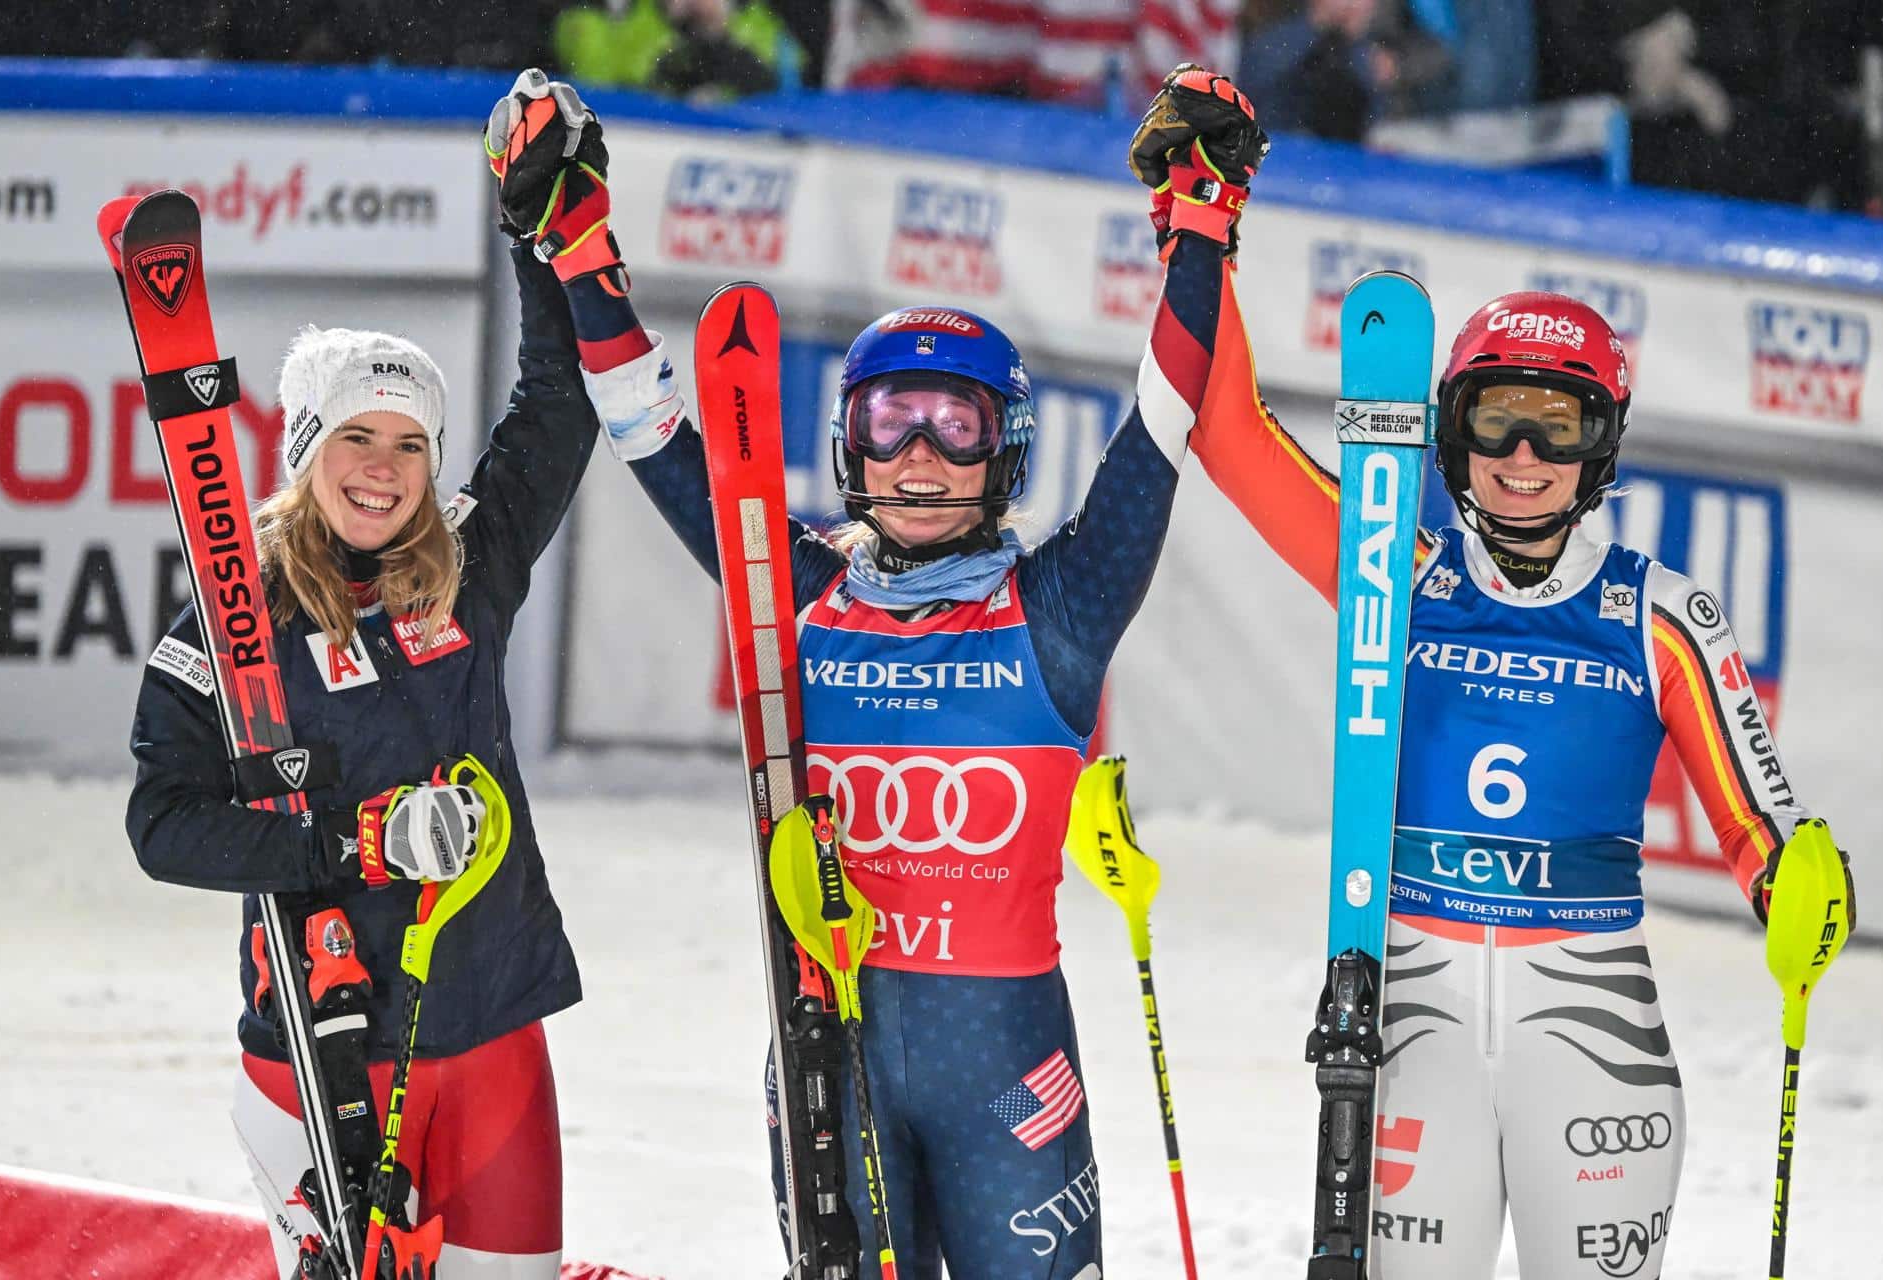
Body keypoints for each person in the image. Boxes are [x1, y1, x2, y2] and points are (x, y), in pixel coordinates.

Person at [580, 64, 1264, 1280]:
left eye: (955, 425)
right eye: (891, 419)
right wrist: (580, 253)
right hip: (830, 1057)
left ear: (1001, 450)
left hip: (1011, 1081)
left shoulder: (1059, 605)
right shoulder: (798, 593)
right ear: (849, 441)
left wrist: (1199, 237)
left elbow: (1159, 431)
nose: (920, 457)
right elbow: (658, 441)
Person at [1190, 287, 1856, 1277]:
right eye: (1495, 419)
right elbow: (1229, 433)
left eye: (1559, 426)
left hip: (1594, 1044)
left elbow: (1763, 825)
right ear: (1452, 430)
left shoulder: (1662, 614)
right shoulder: (1390, 570)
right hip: (1412, 1031)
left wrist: (1803, 888)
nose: (1523, 458)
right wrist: (1200, 223)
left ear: (1604, 443)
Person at [124, 70, 635, 1278]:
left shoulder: (470, 561)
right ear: (307, 449)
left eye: (410, 442)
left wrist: (536, 226)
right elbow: (163, 824)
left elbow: (559, 405)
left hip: (495, 1020)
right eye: (357, 433)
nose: (384, 466)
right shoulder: (237, 605)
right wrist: (354, 841)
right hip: (324, 1043)